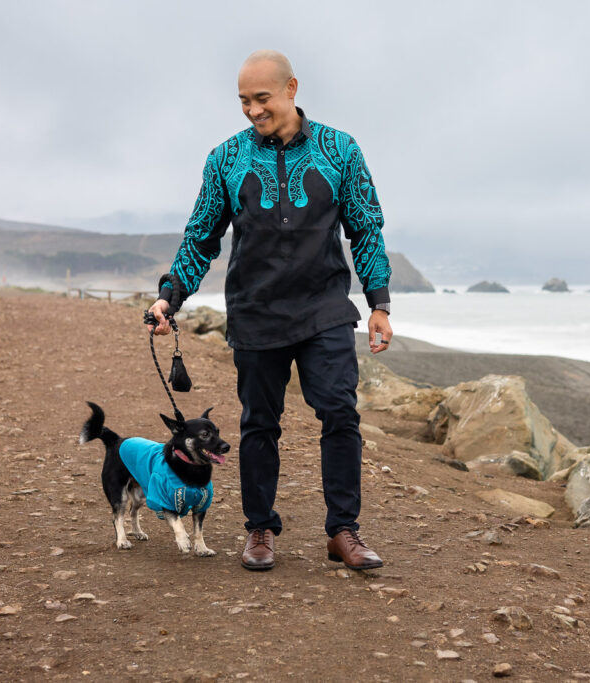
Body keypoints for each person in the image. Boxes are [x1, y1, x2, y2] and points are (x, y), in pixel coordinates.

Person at [146, 50, 392, 572]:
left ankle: (343, 531)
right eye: (243, 101)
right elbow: (201, 236)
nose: (253, 110)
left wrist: (379, 303)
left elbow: (366, 227)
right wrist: (171, 296)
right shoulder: (226, 159)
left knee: (340, 414)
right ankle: (259, 529)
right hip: (256, 313)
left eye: (262, 98)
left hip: (324, 309)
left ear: (292, 89)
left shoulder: (339, 149)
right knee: (259, 423)